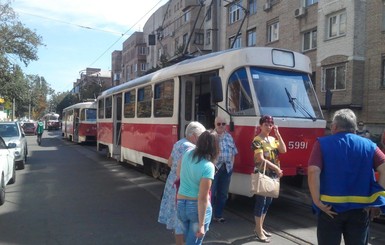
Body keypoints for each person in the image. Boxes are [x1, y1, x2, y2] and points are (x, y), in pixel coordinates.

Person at [307, 109, 385, 245]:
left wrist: (317, 201)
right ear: (354, 128)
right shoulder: (370, 146)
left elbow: (313, 171)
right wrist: (377, 200)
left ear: (335, 127)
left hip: (330, 209)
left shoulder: (322, 144)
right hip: (360, 210)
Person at [158, 121, 206, 245]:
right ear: (194, 136)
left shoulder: (179, 143)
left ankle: (179, 243)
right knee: (185, 217)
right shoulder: (191, 148)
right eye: (201, 137)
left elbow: (169, 162)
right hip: (183, 185)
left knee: (176, 216)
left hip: (172, 183)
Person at [176, 130, 219, 245]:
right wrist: (201, 225)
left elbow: (178, 174)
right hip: (195, 207)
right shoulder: (208, 166)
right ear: (214, 147)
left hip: (181, 205)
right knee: (193, 243)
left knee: (187, 241)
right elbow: (203, 198)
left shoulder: (187, 153)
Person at [251, 115, 286, 243]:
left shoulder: (272, 139)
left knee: (268, 202)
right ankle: (258, 230)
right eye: (266, 124)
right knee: (261, 202)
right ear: (260, 125)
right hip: (263, 173)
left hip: (273, 175)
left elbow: (283, 150)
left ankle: (259, 227)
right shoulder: (257, 140)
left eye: (270, 124)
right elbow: (260, 158)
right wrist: (276, 168)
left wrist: (278, 134)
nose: (269, 127)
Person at [211, 116, 238, 223]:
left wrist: (231, 165)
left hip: (226, 169)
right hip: (214, 169)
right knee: (211, 194)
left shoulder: (229, 137)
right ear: (215, 125)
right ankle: (208, 216)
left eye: (223, 124)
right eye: (219, 124)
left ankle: (218, 215)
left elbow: (234, 152)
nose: (221, 126)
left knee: (223, 194)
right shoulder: (211, 137)